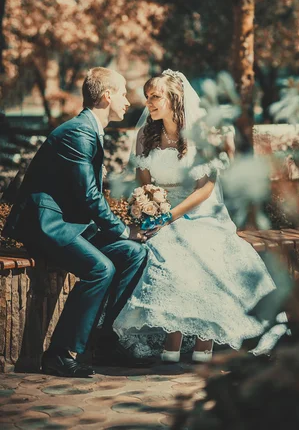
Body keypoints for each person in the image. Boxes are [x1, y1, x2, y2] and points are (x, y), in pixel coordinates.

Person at [113, 70, 287, 363]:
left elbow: (205, 189)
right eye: (147, 97)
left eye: (155, 97)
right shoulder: (145, 134)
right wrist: (151, 205)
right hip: (162, 213)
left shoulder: (202, 134)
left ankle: (204, 342)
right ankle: (173, 340)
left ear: (174, 99)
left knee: (203, 251)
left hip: (200, 213)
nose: (149, 103)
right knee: (166, 250)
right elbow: (144, 180)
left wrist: (168, 218)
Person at [3, 67, 147, 377]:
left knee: (135, 254)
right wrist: (123, 229)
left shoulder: (89, 129)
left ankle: (103, 340)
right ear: (107, 96)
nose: (127, 99)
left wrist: (125, 235)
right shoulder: (78, 132)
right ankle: (59, 353)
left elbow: (86, 197)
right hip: (47, 224)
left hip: (72, 224)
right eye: (122, 92)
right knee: (101, 268)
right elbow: (88, 196)